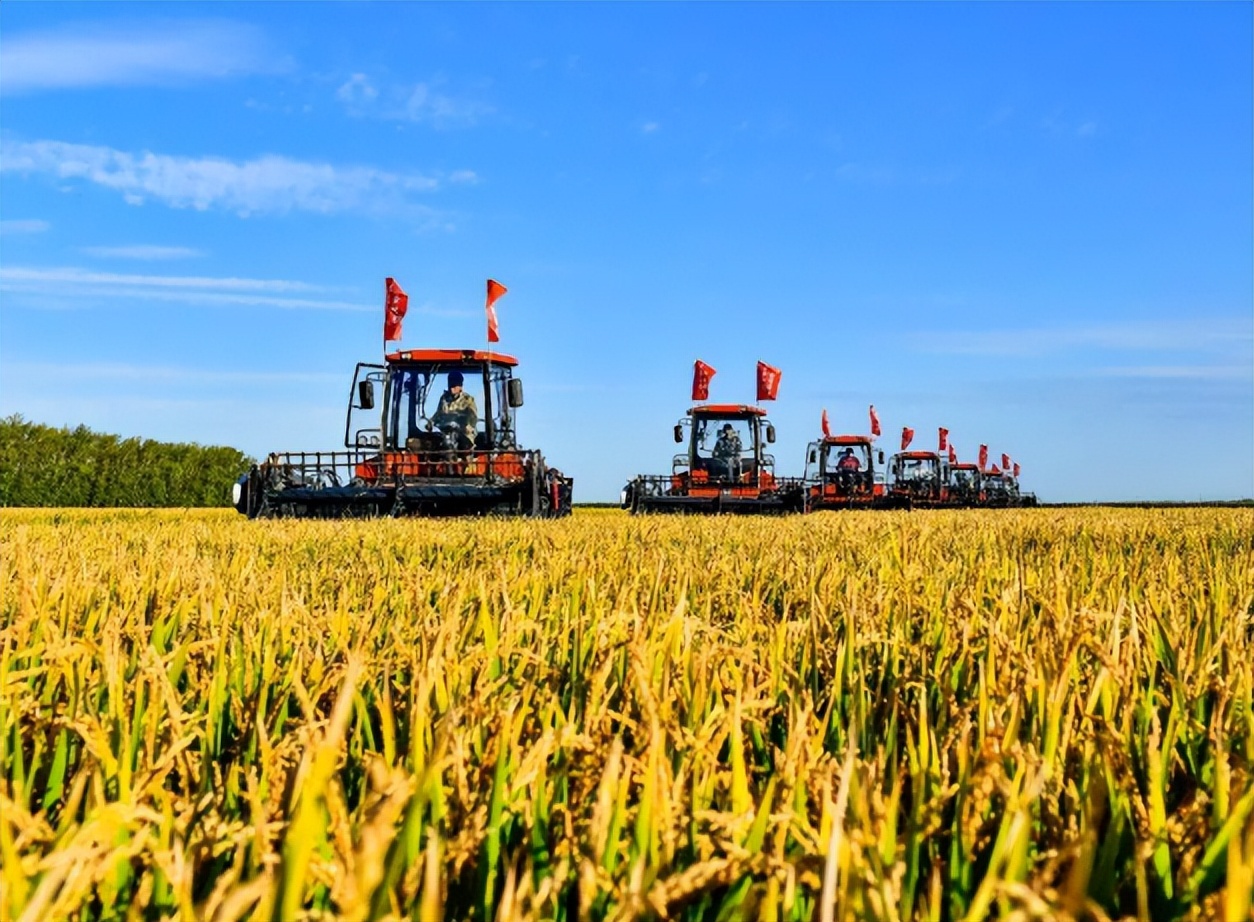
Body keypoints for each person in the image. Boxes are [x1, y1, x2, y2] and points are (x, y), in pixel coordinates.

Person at [433, 370, 478, 447]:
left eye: (454, 386)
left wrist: (467, 426)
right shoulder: (444, 399)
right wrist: (431, 422)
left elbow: (473, 418)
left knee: (465, 447)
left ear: (460, 386)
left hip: (463, 436)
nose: (451, 389)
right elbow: (438, 414)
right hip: (445, 435)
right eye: (450, 386)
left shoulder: (468, 400)